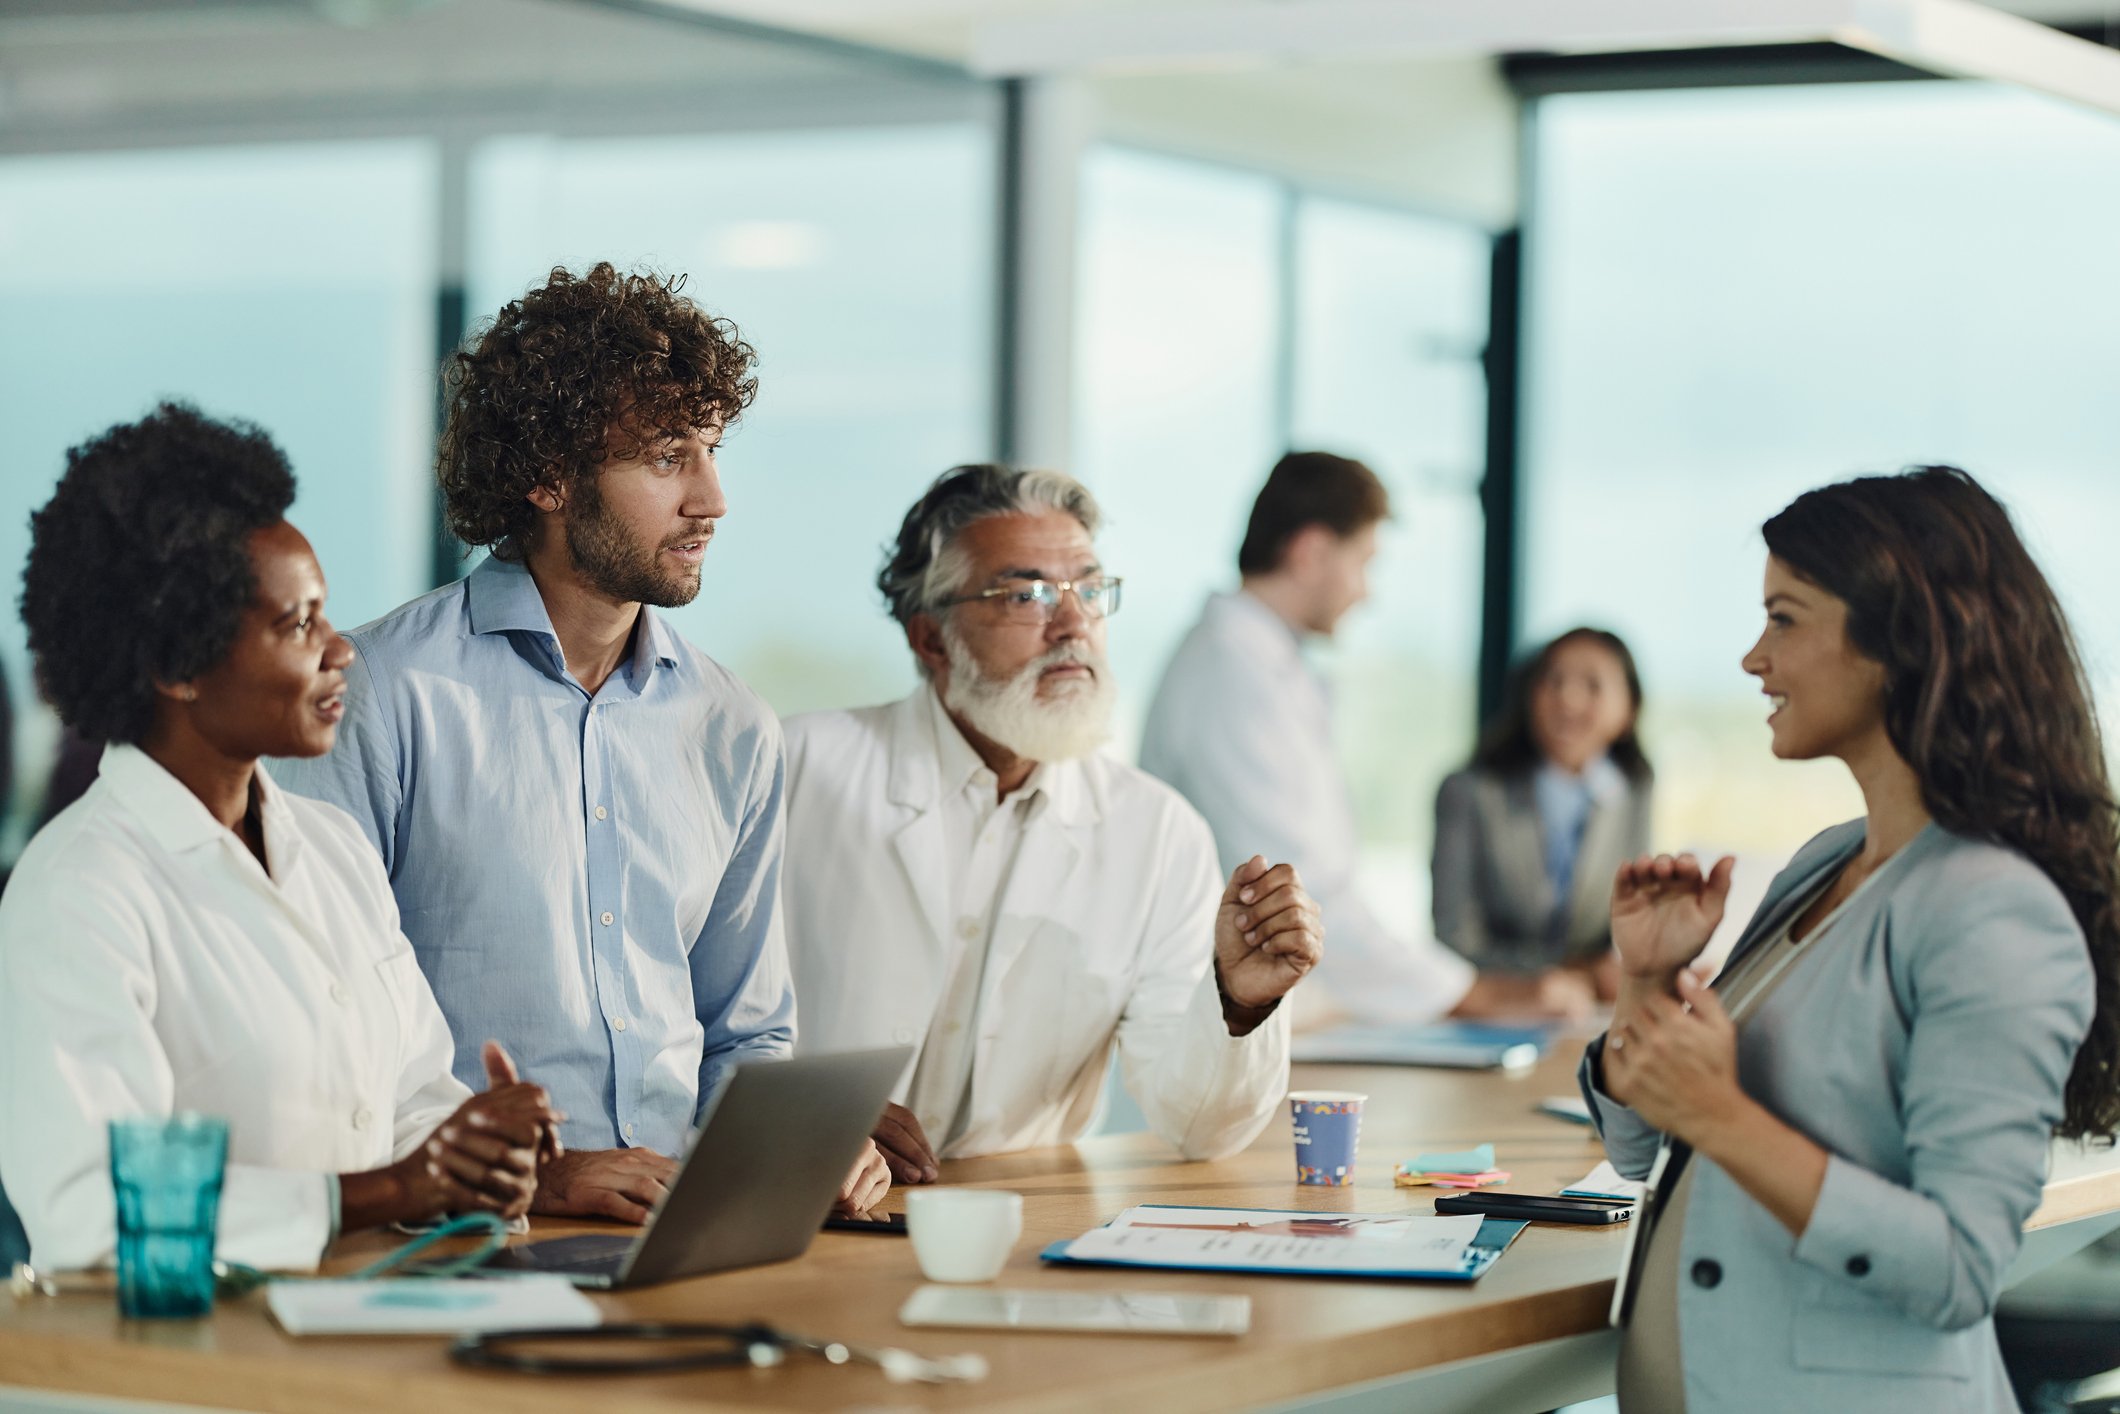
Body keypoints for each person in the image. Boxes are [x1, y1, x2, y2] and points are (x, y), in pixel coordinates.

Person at [274, 265, 888, 1221]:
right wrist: (541, 1180)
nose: (712, 498)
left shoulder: (731, 728)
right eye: (666, 457)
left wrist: (807, 1152)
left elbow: (745, 1033)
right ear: (548, 476)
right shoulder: (380, 694)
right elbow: (325, 1028)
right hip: (457, 1246)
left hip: (674, 1236)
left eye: (713, 449)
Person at [1578, 467, 2119, 1411]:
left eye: (1784, 619)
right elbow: (1648, 1148)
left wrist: (1721, 1114)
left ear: (1897, 644)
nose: (1754, 658)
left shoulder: (1994, 912)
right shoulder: (1828, 866)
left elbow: (1958, 1266)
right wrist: (1650, 984)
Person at [0, 404, 563, 1271]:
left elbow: (409, 1098)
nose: (339, 649)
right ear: (177, 665)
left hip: (367, 1328)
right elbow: (89, 1214)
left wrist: (478, 1155)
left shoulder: (333, 847)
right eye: (297, 624)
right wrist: (385, 1193)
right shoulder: (77, 890)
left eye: (325, 616)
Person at [779, 465, 1322, 1181]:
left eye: (1090, 591)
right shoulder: (797, 767)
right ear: (931, 639)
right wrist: (806, 1117)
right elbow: (684, 1017)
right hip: (801, 1205)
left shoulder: (1156, 831)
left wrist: (1240, 1000)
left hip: (1018, 1227)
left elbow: (1198, 1128)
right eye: (1025, 594)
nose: (1072, 625)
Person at [1142, 451, 1594, 1024]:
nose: (1366, 592)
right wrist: (1474, 994)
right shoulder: (1234, 675)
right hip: (1222, 1019)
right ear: (1312, 551)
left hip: (1261, 1014)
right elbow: (1301, 896)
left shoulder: (1257, 666)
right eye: (1365, 562)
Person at [1432, 627, 1653, 986]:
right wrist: (1571, 975)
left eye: (1592, 685)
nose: (1567, 699)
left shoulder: (1633, 791)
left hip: (1588, 1013)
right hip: (1494, 1005)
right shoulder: (1470, 792)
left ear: (1628, 709)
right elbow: (1454, 941)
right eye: (1552, 681)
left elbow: (1627, 925)